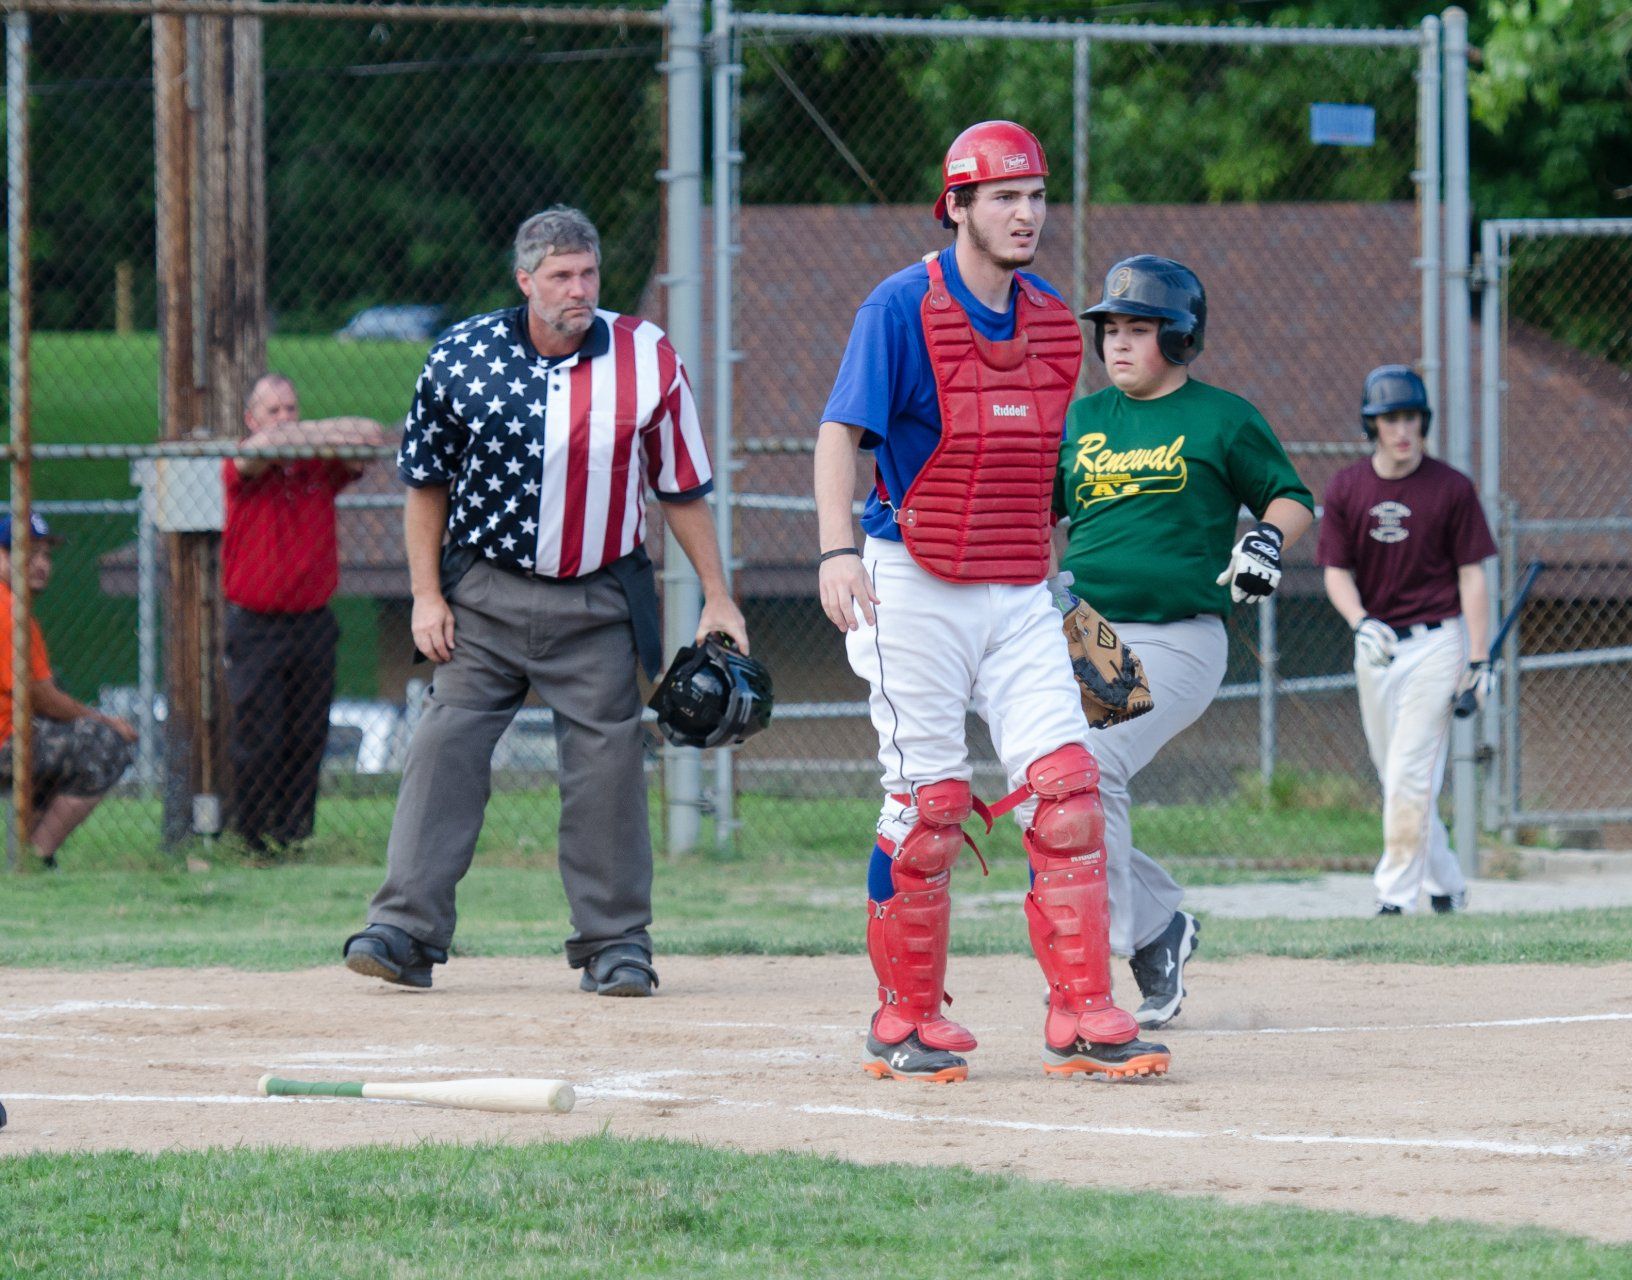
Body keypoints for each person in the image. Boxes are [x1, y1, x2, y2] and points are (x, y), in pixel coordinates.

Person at [816, 120, 1169, 1083]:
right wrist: (835, 551)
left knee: (1068, 797)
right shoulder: (898, 307)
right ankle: (906, 1020)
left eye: (1037, 194)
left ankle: (1084, 1012)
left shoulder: (1057, 323)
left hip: (1017, 588)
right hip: (912, 582)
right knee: (930, 805)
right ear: (958, 207)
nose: (1026, 213)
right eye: (1004, 195)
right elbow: (839, 436)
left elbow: (1038, 466)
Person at [344, 205, 746, 996]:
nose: (579, 289)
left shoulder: (646, 357)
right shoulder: (462, 357)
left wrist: (719, 596)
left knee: (606, 765)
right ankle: (403, 930)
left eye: (589, 273)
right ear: (524, 281)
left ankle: (616, 943)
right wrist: (426, 596)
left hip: (595, 598)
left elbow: (683, 488)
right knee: (443, 747)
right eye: (560, 275)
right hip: (484, 596)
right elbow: (425, 487)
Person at [1054, 255, 1315, 1028]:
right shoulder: (1083, 421)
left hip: (1178, 636)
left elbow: (1292, 498)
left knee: (1093, 763)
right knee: (1056, 784)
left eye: (1139, 329)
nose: (1119, 344)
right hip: (1082, 630)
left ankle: (1098, 959)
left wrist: (1267, 539)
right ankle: (1159, 928)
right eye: (1111, 329)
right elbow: (1040, 515)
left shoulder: (1220, 417)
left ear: (1181, 337)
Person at [1316, 365, 1496, 916]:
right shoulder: (1348, 487)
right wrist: (1359, 620)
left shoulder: (1451, 487)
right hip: (1377, 643)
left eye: (1411, 417)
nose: (1402, 429)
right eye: (1391, 418)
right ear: (1372, 424)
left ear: (1424, 422)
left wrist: (1479, 658)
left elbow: (1473, 575)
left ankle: (1393, 899)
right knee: (1395, 777)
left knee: (1411, 774)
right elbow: (1335, 572)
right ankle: (1448, 886)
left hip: (1437, 643)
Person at [222, 373, 384, 852]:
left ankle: (293, 836)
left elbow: (371, 435)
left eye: (292, 408)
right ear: (251, 419)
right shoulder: (241, 465)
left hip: (312, 621)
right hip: (257, 625)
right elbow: (256, 454)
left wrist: (302, 435)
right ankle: (253, 840)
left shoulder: (317, 466)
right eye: (273, 412)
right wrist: (295, 436)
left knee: (307, 733)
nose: (285, 419)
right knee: (259, 735)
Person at [0, 512, 137, 869]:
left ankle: (24, 856)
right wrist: (104, 720)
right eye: (28, 553)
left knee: (54, 741)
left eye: (46, 555)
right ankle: (37, 858)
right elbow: (39, 696)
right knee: (105, 743)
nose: (41, 564)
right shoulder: (8, 609)